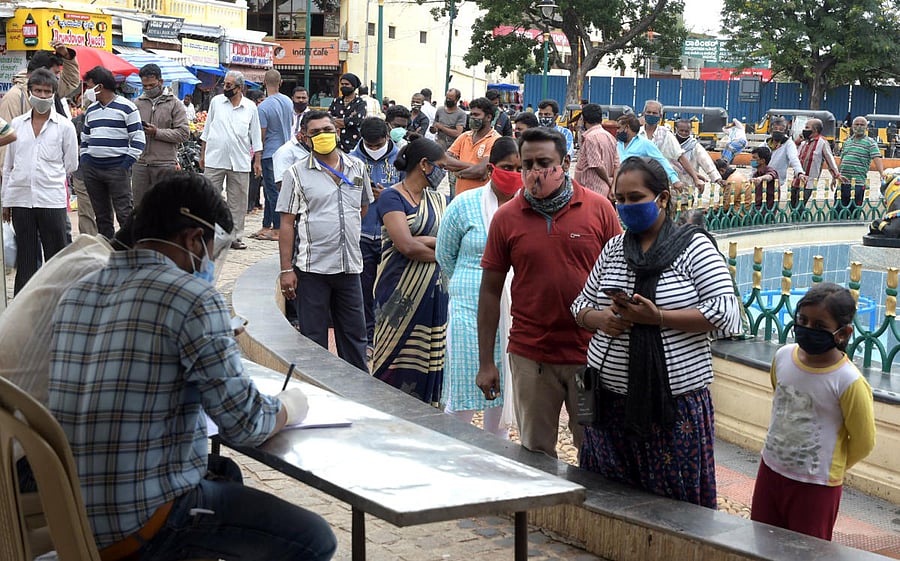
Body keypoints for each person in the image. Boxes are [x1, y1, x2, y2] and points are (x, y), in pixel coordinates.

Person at [47, 173, 336, 560]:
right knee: (314, 538)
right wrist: (289, 405)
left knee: (223, 474)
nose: (209, 264)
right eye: (211, 252)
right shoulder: (193, 297)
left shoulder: (79, 292)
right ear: (193, 239)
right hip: (144, 522)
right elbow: (245, 423)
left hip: (74, 513)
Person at [571, 156, 741, 507]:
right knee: (611, 500)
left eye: (636, 198)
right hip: (609, 401)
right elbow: (579, 306)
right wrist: (601, 319)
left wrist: (660, 317)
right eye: (620, 199)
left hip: (672, 408)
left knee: (672, 503)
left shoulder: (693, 248)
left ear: (662, 198)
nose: (626, 207)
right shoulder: (615, 249)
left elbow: (726, 313)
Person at [477, 127, 621, 458]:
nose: (534, 173)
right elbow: (490, 291)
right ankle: (540, 513)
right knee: (535, 451)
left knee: (594, 446)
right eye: (527, 164)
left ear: (566, 162)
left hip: (590, 359)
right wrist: (487, 362)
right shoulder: (506, 218)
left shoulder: (599, 210)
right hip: (532, 357)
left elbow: (619, 279)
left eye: (545, 163)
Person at [751, 283, 875, 540]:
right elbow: (780, 397)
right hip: (770, 471)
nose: (807, 330)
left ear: (843, 333)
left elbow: (864, 441)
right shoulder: (783, 357)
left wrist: (831, 465)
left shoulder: (848, 381)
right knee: (760, 543)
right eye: (803, 320)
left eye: (819, 326)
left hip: (816, 487)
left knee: (807, 551)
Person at [436, 137, 522, 438]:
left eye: (520, 168)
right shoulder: (465, 205)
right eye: (508, 167)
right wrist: (469, 283)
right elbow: (445, 254)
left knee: (500, 400)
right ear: (491, 168)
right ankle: (451, 460)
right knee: (462, 390)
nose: (514, 173)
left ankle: (496, 463)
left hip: (513, 313)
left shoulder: (527, 208)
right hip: (468, 308)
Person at [277, 111, 373, 372]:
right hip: (312, 270)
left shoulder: (357, 168)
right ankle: (318, 396)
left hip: (350, 267)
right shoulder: (295, 174)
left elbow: (362, 208)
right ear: (305, 138)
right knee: (313, 341)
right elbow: (287, 223)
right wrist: (286, 270)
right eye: (315, 132)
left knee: (355, 339)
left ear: (337, 132)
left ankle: (357, 398)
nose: (323, 136)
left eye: (327, 130)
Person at [373, 138, 450, 403]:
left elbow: (448, 241)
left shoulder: (438, 199)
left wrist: (428, 242)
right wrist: (442, 253)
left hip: (434, 292)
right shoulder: (391, 196)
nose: (444, 172)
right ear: (425, 165)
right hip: (399, 292)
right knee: (395, 357)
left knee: (429, 355)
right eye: (441, 166)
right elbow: (406, 245)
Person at [2, 69, 76, 294]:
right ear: (30, 92)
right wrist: (6, 201)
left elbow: (71, 164)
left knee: (55, 256)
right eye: (38, 91)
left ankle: (56, 303)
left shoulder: (64, 126)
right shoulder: (17, 124)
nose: (43, 96)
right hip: (21, 200)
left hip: (51, 200)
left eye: (47, 92)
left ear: (53, 94)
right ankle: (23, 308)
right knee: (26, 258)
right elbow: (9, 166)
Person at [350, 117, 403, 358]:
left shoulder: (402, 157)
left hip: (392, 234)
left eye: (378, 144)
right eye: (369, 145)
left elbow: (414, 191)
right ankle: (368, 339)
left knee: (391, 288)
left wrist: (389, 195)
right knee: (362, 289)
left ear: (387, 136)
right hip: (361, 233)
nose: (373, 149)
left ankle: (391, 338)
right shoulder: (351, 159)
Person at [80, 66, 145, 240]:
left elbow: (138, 139)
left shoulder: (127, 108)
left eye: (89, 86)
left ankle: (130, 247)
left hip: (117, 168)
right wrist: (85, 161)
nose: (87, 91)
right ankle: (107, 247)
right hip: (93, 169)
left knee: (124, 212)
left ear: (99, 87)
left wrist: (125, 164)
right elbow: (85, 138)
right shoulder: (91, 111)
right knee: (101, 215)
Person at [200, 70, 263, 250]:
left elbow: (256, 136)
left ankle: (235, 236)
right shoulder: (216, 102)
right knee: (209, 198)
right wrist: (203, 154)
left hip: (240, 161)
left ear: (240, 87)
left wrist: (257, 161)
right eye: (224, 84)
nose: (225, 88)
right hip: (215, 158)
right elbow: (207, 130)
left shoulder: (250, 107)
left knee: (238, 202)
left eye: (229, 85)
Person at [133, 64, 190, 208]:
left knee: (165, 208)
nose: (148, 89)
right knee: (140, 209)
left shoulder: (175, 104)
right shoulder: (137, 104)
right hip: (140, 165)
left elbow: (183, 133)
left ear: (161, 82)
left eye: (151, 85)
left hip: (165, 164)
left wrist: (156, 132)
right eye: (144, 86)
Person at [253, 69, 294, 242]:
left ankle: (277, 229)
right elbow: (291, 123)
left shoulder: (263, 107)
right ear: (281, 82)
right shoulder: (288, 101)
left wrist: (257, 157)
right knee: (274, 190)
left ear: (263, 83)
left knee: (272, 192)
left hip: (270, 152)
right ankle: (266, 225)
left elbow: (261, 134)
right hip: (285, 150)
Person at [639, 100, 704, 192]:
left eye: (654, 113)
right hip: (638, 179)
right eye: (648, 112)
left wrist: (695, 178)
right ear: (643, 113)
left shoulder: (666, 135)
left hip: (659, 181)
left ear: (660, 116)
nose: (651, 115)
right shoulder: (636, 134)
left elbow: (680, 157)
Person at [446, 97, 501, 195]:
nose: (472, 118)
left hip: (480, 200)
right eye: (471, 114)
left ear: (488, 117)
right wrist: (473, 167)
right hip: (460, 198)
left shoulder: (495, 140)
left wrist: (458, 173)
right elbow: (445, 160)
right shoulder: (464, 136)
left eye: (476, 115)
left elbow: (481, 171)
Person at [616, 114, 684, 191]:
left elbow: (662, 161)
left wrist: (674, 180)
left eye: (619, 128)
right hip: (618, 186)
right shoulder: (617, 145)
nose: (617, 131)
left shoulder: (645, 144)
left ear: (627, 128)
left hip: (637, 187)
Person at [836, 116, 885, 215]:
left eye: (862, 125)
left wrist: (882, 173)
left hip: (858, 183)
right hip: (842, 182)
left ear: (866, 127)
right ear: (852, 126)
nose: (859, 127)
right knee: (838, 212)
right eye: (856, 124)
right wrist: (836, 175)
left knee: (854, 212)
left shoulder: (870, 142)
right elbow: (842, 159)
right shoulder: (847, 142)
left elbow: (877, 158)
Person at [791, 118, 839, 210]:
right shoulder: (803, 142)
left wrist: (835, 175)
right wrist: (797, 142)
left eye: (807, 127)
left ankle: (799, 221)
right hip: (796, 180)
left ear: (815, 130)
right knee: (793, 205)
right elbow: (793, 157)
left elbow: (830, 160)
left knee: (799, 206)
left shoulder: (822, 143)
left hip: (809, 182)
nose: (804, 129)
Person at [574, 103, 619, 197]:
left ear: (583, 119)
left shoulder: (590, 138)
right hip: (607, 191)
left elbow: (597, 165)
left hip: (592, 191)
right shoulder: (610, 137)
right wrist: (613, 187)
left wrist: (608, 181)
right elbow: (617, 165)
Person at [674, 118, 720, 204]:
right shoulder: (670, 143)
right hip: (670, 187)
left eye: (686, 131)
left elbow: (707, 163)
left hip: (687, 187)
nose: (684, 133)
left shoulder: (695, 146)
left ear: (691, 131)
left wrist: (716, 178)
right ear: (676, 129)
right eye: (681, 130)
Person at [328, 73, 367, 153]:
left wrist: (337, 121)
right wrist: (347, 120)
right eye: (342, 84)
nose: (344, 86)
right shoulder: (336, 101)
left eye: (347, 84)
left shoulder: (360, 102)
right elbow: (328, 119)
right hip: (336, 143)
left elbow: (357, 121)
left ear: (353, 86)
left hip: (353, 143)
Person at [767, 117, 803, 187]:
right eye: (775, 128)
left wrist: (799, 172)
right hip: (761, 178)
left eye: (781, 129)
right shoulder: (765, 143)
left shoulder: (789, 144)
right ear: (771, 130)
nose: (777, 131)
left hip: (777, 181)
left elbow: (794, 158)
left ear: (785, 131)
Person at [750, 146, 779, 213]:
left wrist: (761, 178)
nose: (752, 160)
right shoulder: (756, 174)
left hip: (766, 210)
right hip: (756, 207)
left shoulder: (770, 171)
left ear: (762, 161)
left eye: (754, 158)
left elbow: (770, 176)